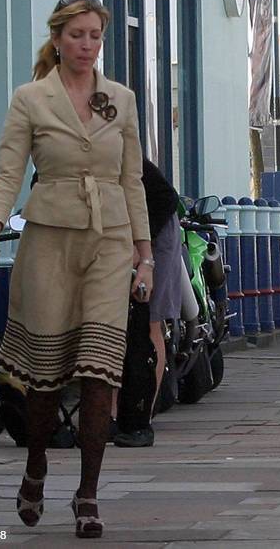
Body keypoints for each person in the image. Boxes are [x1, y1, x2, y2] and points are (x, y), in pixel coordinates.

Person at [0, 0, 153, 539]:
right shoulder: (31, 98)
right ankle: (35, 470)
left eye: (95, 36)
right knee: (47, 376)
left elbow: (132, 180)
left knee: (101, 371)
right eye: (76, 35)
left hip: (109, 242)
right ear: (57, 39)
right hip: (49, 243)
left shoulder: (119, 100)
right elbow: (8, 174)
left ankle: (88, 495)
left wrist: (144, 256)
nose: (86, 45)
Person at [114, 157, 182, 448]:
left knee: (149, 319)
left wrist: (141, 247)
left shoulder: (122, 154)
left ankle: (142, 412)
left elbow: (166, 198)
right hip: (117, 234)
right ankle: (112, 413)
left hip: (156, 232)